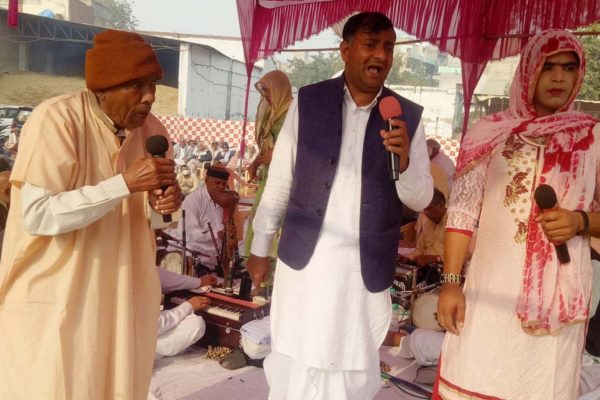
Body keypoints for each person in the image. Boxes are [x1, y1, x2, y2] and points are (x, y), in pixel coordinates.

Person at [247, 12, 433, 400]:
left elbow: (420, 198)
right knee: (295, 359)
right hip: (307, 267)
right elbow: (279, 181)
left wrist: (404, 162)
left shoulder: (407, 116)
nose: (380, 55)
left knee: (352, 368)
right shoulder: (308, 101)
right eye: (370, 44)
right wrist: (260, 248)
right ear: (346, 51)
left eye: (388, 47)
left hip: (360, 274)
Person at [0, 29, 182, 400]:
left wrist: (163, 206)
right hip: (59, 298)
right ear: (103, 88)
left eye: (152, 84)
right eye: (136, 85)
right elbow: (37, 215)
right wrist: (124, 184)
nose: (149, 96)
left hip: (121, 296)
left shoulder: (153, 132)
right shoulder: (56, 120)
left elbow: (151, 220)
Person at [435, 30, 600, 400]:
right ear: (529, 71)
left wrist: (580, 222)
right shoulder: (489, 133)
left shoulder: (592, 138)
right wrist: (450, 283)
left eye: (568, 68)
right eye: (548, 67)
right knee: (475, 380)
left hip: (556, 308)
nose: (558, 77)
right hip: (490, 294)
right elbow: (461, 213)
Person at [245, 69, 293, 257]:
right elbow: (268, 146)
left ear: (279, 89)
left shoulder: (294, 113)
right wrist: (255, 163)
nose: (265, 95)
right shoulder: (273, 113)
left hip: (285, 180)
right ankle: (256, 266)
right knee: (259, 221)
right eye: (263, 90)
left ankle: (270, 270)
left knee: (275, 225)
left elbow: (301, 146)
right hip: (268, 179)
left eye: (267, 90)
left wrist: (278, 154)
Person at [166, 165, 231, 271]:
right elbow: (190, 233)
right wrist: (217, 234)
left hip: (217, 256)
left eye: (224, 184)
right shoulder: (193, 200)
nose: (221, 187)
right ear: (206, 180)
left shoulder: (226, 199)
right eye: (217, 183)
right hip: (195, 254)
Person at [155, 267, 216, 359]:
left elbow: (164, 277)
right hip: (141, 339)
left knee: (195, 323)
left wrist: (200, 282)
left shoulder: (140, 268)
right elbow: (155, 324)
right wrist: (188, 306)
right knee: (196, 325)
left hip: (149, 332)